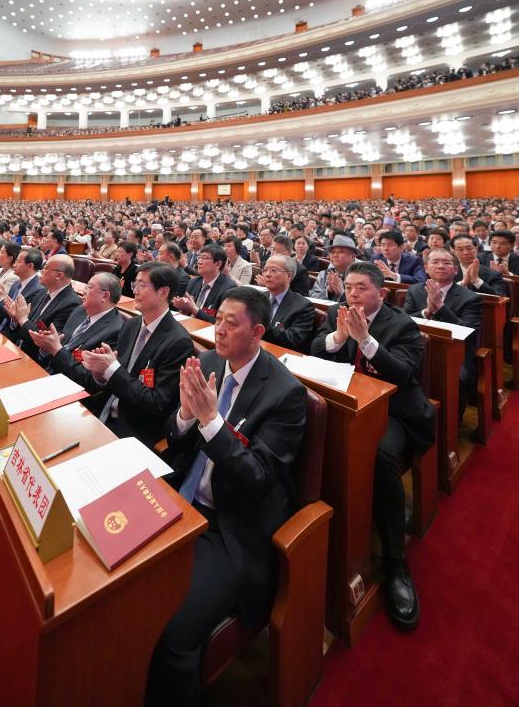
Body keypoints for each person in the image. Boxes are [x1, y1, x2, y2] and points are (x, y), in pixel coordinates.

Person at [145, 287, 307, 706]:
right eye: (217, 319)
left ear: (257, 332)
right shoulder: (208, 362)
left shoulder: (284, 394)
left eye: (230, 324)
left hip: (228, 526)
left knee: (175, 636)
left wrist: (210, 421)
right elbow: (176, 440)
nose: (218, 330)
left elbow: (257, 478)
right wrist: (185, 416)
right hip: (179, 498)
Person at [311, 262, 435, 631]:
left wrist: (365, 340)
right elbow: (314, 348)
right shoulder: (338, 312)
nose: (352, 294)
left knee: (379, 456)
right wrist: (336, 338)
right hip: (347, 400)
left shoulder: (402, 324)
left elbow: (404, 374)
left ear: (381, 293)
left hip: (394, 411)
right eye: (348, 287)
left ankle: (396, 559)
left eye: (361, 288)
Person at [65, 262, 194, 447]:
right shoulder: (132, 324)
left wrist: (111, 369)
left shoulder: (178, 342)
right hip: (101, 409)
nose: (135, 291)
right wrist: (100, 374)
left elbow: (157, 404)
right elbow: (117, 376)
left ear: (163, 292)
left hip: (132, 429)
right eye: (135, 284)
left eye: (142, 285)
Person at [404, 249, 482, 414]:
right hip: (416, 348)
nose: (440, 266)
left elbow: (469, 332)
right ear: (426, 268)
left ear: (455, 270)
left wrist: (440, 308)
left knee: (457, 378)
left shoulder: (470, 298)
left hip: (455, 353)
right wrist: (426, 312)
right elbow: (404, 321)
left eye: (446, 263)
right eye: (435, 262)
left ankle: (453, 420)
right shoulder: (415, 290)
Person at [31, 271, 124, 374]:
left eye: (89, 287)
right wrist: (47, 344)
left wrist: (56, 349)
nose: (84, 291)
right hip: (49, 368)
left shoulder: (115, 330)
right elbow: (63, 343)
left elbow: (86, 375)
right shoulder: (80, 310)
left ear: (105, 296)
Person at [5, 254, 81, 361]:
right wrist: (16, 318)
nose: (41, 271)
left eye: (45, 268)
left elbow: (45, 341)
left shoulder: (71, 304)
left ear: (58, 275)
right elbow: (25, 324)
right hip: (18, 347)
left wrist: (22, 320)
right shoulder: (43, 291)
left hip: (35, 359)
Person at [259, 255, 315, 352]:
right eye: (265, 270)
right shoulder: (258, 298)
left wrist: (259, 323)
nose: (267, 274)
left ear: (288, 276)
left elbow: (293, 339)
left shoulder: (303, 306)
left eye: (273, 270)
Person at [172, 243, 237, 321]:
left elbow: (221, 322)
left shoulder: (228, 288)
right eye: (199, 257)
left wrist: (195, 310)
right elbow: (187, 313)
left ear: (218, 264)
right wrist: (183, 309)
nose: (199, 262)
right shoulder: (193, 282)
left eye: (204, 258)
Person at [310, 234, 358, 300]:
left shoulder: (360, 276)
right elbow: (312, 297)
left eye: (341, 252)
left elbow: (363, 302)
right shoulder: (324, 274)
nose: (335, 255)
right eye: (332, 252)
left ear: (352, 256)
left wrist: (342, 293)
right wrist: (328, 291)